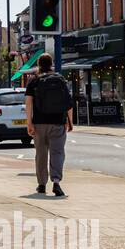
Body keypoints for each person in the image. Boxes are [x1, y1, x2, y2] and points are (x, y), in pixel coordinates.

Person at [25, 54, 74, 197]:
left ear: (39, 64)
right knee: (57, 152)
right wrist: (69, 121)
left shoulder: (34, 80)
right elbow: (68, 102)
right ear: (52, 63)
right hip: (58, 122)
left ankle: (41, 184)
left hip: (39, 122)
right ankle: (56, 182)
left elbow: (28, 103)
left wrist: (29, 123)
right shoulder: (60, 79)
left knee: (41, 154)